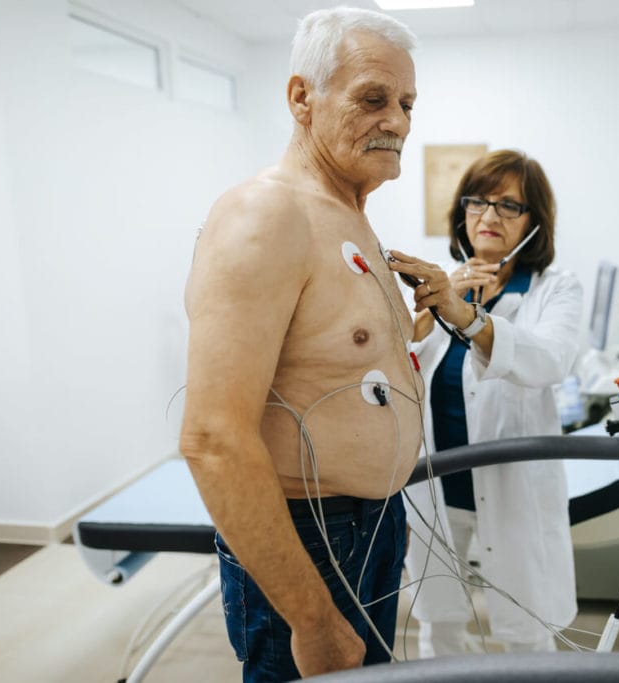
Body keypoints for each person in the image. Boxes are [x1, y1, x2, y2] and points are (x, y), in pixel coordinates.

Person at [179, 8, 424, 681]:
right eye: (374, 99)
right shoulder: (267, 214)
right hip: (311, 540)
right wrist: (312, 620)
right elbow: (213, 438)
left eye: (406, 103)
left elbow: (340, 361)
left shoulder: (348, 212)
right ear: (301, 98)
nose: (398, 121)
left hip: (374, 525)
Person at [387, 149, 584, 656]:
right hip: (434, 489)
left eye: (509, 206)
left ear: (534, 221)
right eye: (477, 202)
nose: (489, 216)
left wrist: (469, 317)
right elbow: (393, 374)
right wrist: (430, 313)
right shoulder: (441, 287)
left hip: (511, 488)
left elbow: (549, 360)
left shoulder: (552, 291)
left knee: (525, 632)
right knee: (440, 626)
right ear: (461, 213)